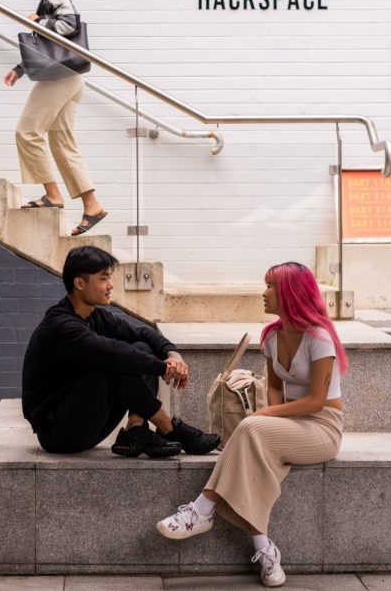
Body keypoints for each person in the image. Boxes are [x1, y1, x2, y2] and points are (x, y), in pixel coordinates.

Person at [156, 262, 347, 588]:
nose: (264, 292)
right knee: (256, 452)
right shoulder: (272, 336)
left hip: (322, 427)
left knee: (250, 428)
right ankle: (266, 551)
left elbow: (316, 401)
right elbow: (274, 388)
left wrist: (265, 418)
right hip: (291, 421)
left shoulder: (319, 338)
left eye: (270, 286)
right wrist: (272, 419)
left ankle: (202, 510)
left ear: (290, 293)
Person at [22, 246, 220, 458]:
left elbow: (142, 334)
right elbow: (114, 354)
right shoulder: (61, 325)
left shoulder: (96, 317)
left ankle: (135, 429)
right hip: (58, 433)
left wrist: (172, 355)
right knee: (111, 364)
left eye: (109, 277)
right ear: (79, 283)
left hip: (90, 425)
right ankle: (169, 428)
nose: (110, 285)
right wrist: (162, 368)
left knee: (141, 348)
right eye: (103, 278)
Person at [4, 0, 106, 236]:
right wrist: (20, 69)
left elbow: (69, 23)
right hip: (72, 77)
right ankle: (92, 205)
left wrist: (40, 21)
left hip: (60, 78)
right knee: (62, 142)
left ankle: (53, 195)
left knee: (27, 132)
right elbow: (47, 47)